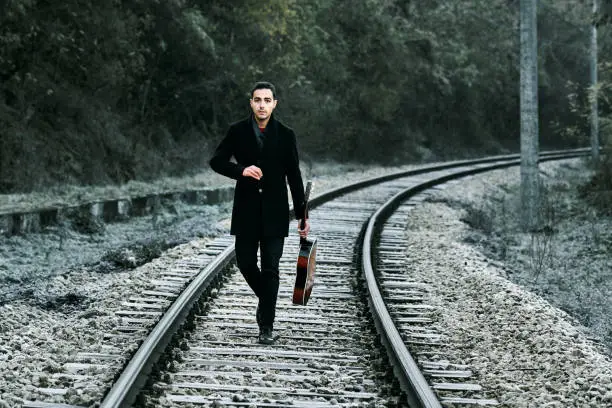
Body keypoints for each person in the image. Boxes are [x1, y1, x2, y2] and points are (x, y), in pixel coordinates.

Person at [209, 81, 310, 344]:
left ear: (274, 103)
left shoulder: (286, 134)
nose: (262, 105)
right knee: (244, 263)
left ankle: (267, 325)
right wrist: (240, 170)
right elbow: (216, 161)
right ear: (251, 103)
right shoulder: (237, 131)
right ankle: (267, 301)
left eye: (267, 100)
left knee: (271, 269)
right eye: (257, 100)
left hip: (276, 212)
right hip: (246, 211)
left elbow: (295, 177)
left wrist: (302, 214)